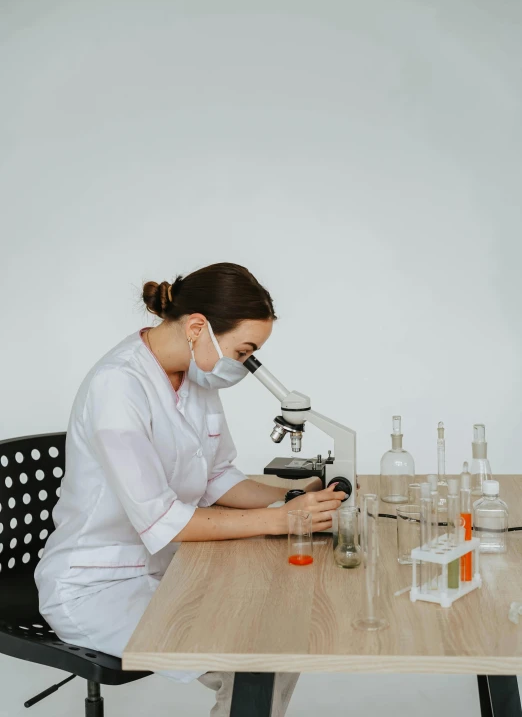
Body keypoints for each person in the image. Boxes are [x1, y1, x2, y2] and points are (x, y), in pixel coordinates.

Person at [35, 262, 344, 716]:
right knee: (249, 662)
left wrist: (296, 499)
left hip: (171, 569)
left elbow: (219, 477)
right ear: (198, 327)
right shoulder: (117, 386)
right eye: (243, 352)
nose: (243, 365)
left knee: (278, 640)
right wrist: (282, 519)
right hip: (97, 585)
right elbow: (163, 520)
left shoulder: (195, 378)